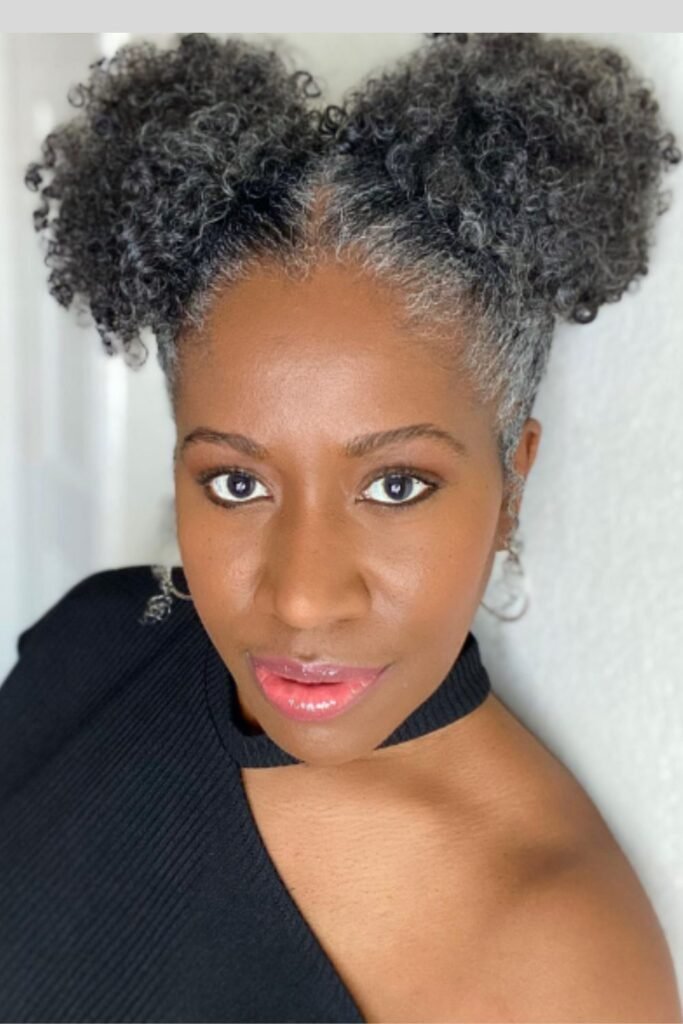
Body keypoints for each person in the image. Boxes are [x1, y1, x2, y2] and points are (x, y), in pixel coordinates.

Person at [1, 32, 681, 1022]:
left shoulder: (557, 963)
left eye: (395, 485)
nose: (302, 599)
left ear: (510, 483)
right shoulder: (95, 642)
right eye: (236, 481)